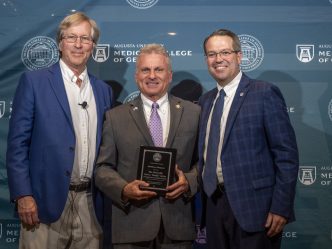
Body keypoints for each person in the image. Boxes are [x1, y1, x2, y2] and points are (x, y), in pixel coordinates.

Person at [6, 12, 113, 249]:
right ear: (60, 42)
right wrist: (23, 195)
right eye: (71, 37)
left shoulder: (103, 90)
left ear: (93, 46)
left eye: (85, 39)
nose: (78, 44)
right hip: (43, 202)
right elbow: (17, 145)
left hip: (90, 202)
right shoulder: (34, 82)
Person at [198, 29, 299, 249]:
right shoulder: (205, 101)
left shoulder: (264, 93)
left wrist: (281, 207)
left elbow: (286, 156)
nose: (218, 59)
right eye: (212, 54)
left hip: (256, 209)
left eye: (225, 52)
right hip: (213, 206)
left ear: (239, 56)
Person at [95, 43, 200, 249]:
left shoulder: (193, 113)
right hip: (131, 226)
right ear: (136, 76)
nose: (152, 76)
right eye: (145, 70)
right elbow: (102, 169)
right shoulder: (115, 117)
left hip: (177, 227)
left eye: (158, 69)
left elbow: (203, 162)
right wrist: (124, 189)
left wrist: (189, 181)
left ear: (169, 75)